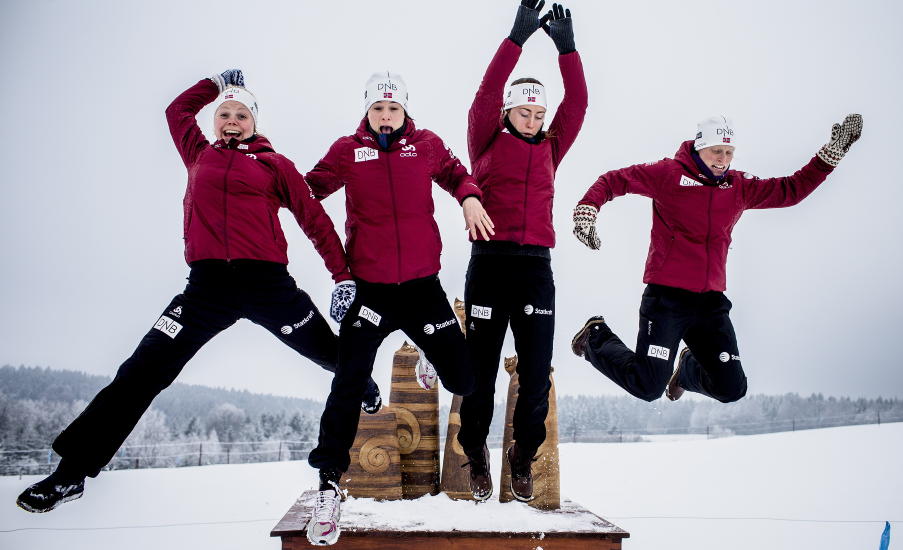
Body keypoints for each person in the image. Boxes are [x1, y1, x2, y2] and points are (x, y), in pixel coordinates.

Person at [15, 69, 381, 514]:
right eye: (224, 113)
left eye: (241, 114)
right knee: (140, 371)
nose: (232, 120)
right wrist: (213, 81)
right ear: (213, 121)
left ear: (255, 123)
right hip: (205, 290)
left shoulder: (275, 165)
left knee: (332, 354)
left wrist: (341, 276)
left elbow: (314, 221)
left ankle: (360, 381)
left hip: (268, 284)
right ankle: (71, 473)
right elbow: (177, 111)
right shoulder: (198, 154)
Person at [302, 71, 491, 546]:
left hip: (423, 289)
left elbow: (456, 174)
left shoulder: (425, 145)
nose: (386, 116)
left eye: (393, 108)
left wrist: (468, 198)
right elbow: (308, 190)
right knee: (347, 382)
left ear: (405, 110)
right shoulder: (348, 150)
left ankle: (430, 350)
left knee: (464, 380)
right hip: (369, 290)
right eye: (377, 109)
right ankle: (327, 485)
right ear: (366, 111)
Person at [570, 114, 863, 406]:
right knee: (648, 386)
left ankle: (687, 370)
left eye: (729, 152)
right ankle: (595, 337)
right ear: (700, 148)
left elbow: (791, 190)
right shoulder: (667, 175)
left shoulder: (738, 187)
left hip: (709, 305)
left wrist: (829, 157)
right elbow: (614, 180)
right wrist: (588, 208)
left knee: (731, 388)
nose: (723, 159)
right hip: (666, 302)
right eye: (716, 151)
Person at [457, 0, 586, 503]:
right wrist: (516, 38)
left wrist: (567, 50)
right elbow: (486, 92)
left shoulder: (552, 145)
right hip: (488, 265)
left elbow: (577, 103)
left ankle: (521, 455)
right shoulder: (485, 139)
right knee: (479, 372)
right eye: (523, 111)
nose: (531, 120)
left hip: (536, 268)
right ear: (508, 111)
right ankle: (476, 451)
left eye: (537, 113)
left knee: (536, 374)